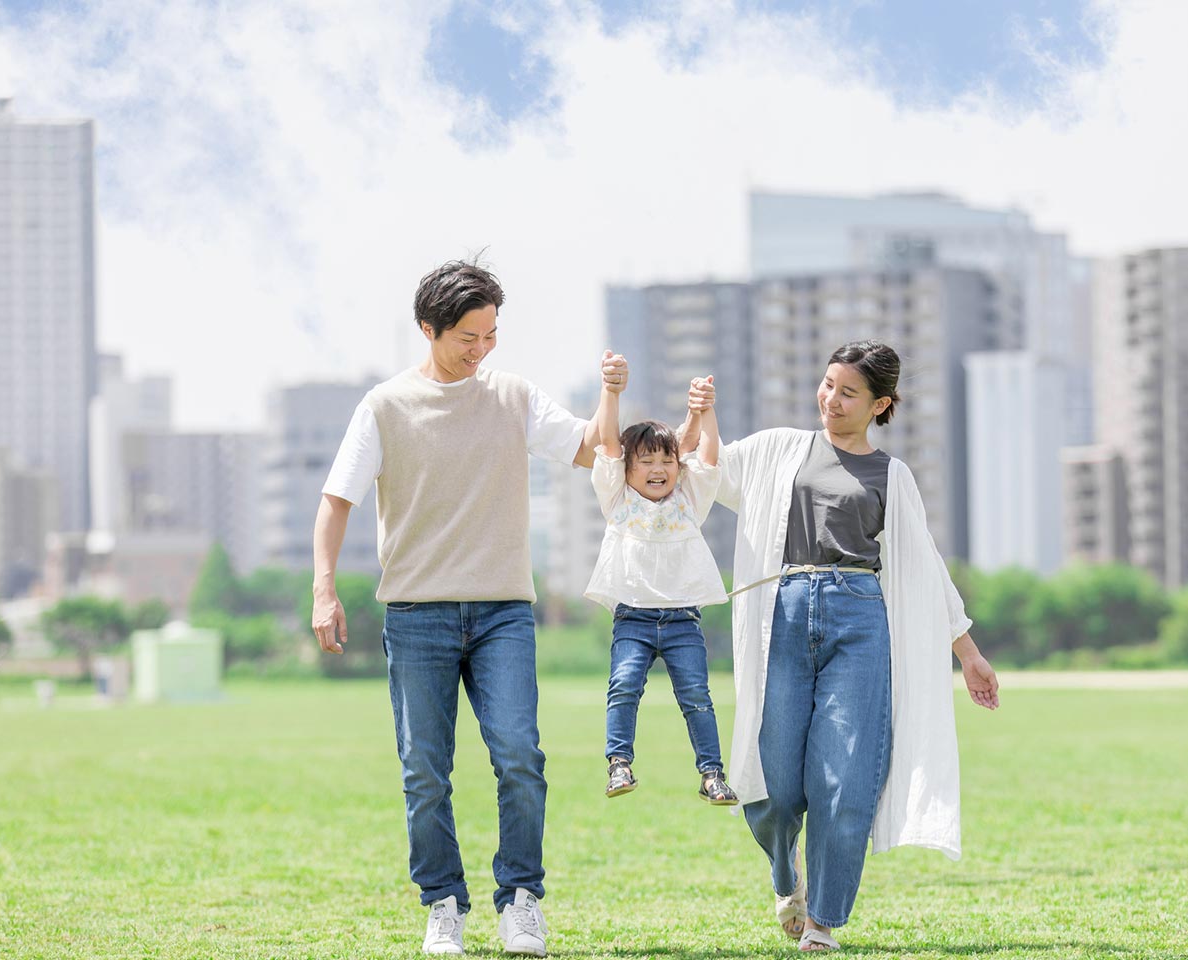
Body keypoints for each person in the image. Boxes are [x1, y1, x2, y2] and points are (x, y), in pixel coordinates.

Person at [312, 259, 627, 957]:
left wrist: (611, 394)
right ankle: (444, 905)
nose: (481, 350)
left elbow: (591, 448)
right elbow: (336, 502)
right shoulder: (385, 406)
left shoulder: (511, 396)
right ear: (428, 329)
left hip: (502, 613)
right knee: (425, 769)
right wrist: (324, 587)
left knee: (519, 752)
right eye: (466, 337)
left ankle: (521, 900)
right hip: (416, 615)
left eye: (490, 335)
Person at [695, 340, 999, 952]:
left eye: (848, 392)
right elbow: (710, 472)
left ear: (880, 404)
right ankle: (786, 876)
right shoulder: (781, 448)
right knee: (774, 782)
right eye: (828, 384)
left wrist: (967, 652)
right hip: (780, 614)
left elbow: (923, 566)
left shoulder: (891, 475)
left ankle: (823, 923)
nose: (831, 399)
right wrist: (703, 415)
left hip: (860, 622)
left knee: (846, 778)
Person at [582, 355, 738, 806]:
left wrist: (704, 409)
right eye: (645, 459)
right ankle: (619, 764)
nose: (658, 468)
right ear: (627, 469)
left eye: (666, 459)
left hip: (682, 620)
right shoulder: (618, 499)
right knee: (624, 686)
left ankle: (711, 774)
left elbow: (705, 455)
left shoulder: (689, 499)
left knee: (696, 697)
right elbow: (609, 443)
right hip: (632, 618)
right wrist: (611, 392)